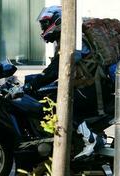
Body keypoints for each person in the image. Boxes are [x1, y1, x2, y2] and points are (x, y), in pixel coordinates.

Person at [24, 6, 110, 160]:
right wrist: (29, 80)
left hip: (90, 88)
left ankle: (90, 141)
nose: (43, 27)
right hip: (87, 86)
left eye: (45, 23)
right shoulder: (64, 40)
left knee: (61, 106)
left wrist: (33, 84)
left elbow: (58, 69)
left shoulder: (72, 42)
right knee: (49, 95)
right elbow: (53, 68)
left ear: (57, 22)